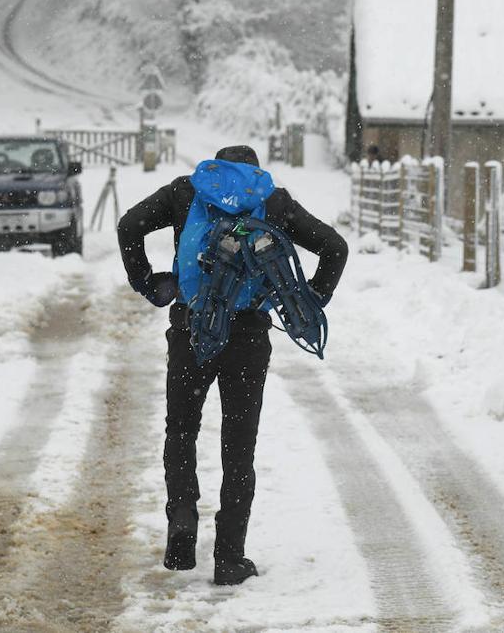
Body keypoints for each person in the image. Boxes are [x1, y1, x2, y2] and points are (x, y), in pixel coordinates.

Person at [117, 145, 348, 585]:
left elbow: (129, 226)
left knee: (181, 430)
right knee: (239, 446)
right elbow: (335, 248)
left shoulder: (186, 193)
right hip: (247, 336)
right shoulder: (273, 202)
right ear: (256, 172)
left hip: (191, 329)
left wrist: (147, 283)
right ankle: (229, 557)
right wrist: (310, 299)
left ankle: (182, 521)